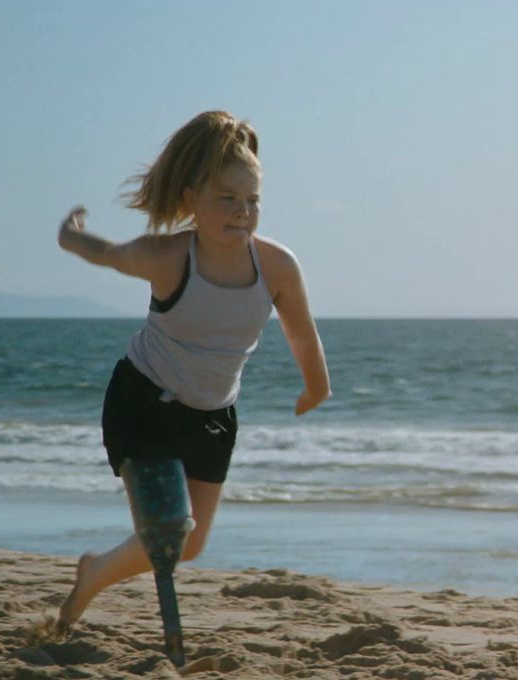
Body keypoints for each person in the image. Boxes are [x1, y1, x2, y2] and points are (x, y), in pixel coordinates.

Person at [52, 111, 332, 632]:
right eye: (226, 199)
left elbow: (301, 330)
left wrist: (317, 386)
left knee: (192, 543)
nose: (241, 211)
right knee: (169, 528)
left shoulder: (276, 266)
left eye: (251, 200)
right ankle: (93, 577)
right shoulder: (170, 258)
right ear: (191, 202)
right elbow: (109, 255)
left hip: (212, 416)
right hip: (144, 403)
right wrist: (71, 238)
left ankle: (93, 572)